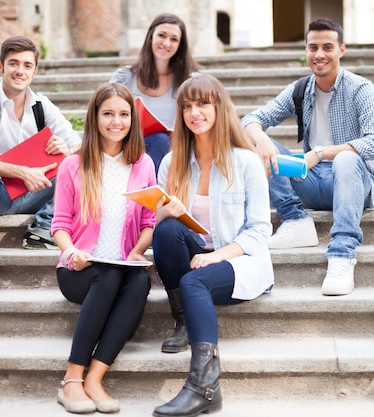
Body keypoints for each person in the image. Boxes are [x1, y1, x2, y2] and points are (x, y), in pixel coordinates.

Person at [151, 74, 274, 417]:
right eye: (187, 106)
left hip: (238, 258)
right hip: (194, 254)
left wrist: (217, 256)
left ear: (219, 108)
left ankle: (204, 388)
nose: (194, 112)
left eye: (203, 104)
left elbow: (260, 230)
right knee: (167, 229)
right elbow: (158, 231)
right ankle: (184, 320)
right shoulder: (171, 162)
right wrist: (162, 214)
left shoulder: (245, 161)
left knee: (195, 280)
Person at [241, 18, 374, 296]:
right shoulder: (300, 89)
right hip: (312, 180)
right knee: (249, 141)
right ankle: (295, 219)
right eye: (313, 47)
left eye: (327, 47)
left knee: (345, 159)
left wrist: (320, 153)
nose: (319, 54)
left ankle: (342, 254)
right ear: (306, 51)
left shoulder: (360, 88)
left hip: (354, 182)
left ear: (341, 50)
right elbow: (251, 119)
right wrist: (261, 140)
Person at [51, 82, 156, 414]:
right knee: (107, 277)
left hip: (123, 265)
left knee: (139, 281)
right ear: (94, 117)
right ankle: (71, 378)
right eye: (108, 113)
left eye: (124, 114)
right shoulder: (73, 164)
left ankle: (95, 378)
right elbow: (60, 225)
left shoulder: (143, 164)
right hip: (79, 270)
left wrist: (138, 251)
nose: (116, 121)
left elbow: (149, 221)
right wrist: (72, 254)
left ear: (132, 120)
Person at [0, 36, 81, 297]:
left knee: (77, 161)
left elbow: (79, 142)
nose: (20, 70)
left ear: (35, 71)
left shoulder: (41, 105)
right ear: (0, 66)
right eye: (13, 63)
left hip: (37, 192)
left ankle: (43, 227)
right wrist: (23, 172)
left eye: (27, 65)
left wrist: (67, 149)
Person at [110, 13, 198, 175]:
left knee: (162, 140)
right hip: (129, 144)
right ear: (151, 37)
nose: (166, 43)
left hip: (174, 148)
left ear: (180, 45)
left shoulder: (189, 81)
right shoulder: (126, 77)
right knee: (159, 140)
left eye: (174, 39)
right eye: (162, 35)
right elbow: (103, 111)